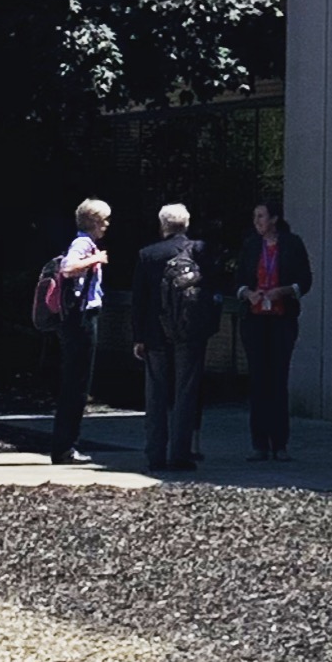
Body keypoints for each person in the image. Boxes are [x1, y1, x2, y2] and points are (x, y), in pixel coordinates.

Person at [131, 201, 212, 472]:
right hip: (189, 333)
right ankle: (180, 454)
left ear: (162, 225)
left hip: (155, 335)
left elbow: (139, 300)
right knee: (185, 393)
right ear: (186, 224)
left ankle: (155, 454)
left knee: (156, 394)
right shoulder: (199, 251)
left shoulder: (147, 255)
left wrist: (138, 336)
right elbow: (209, 292)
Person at [235, 196, 313, 461]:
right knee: (258, 380)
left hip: (281, 319)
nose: (257, 222)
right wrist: (248, 293)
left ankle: (280, 443)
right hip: (255, 319)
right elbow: (238, 280)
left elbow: (305, 279)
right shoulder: (250, 245)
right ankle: (259, 443)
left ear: (274, 219)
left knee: (278, 380)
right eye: (255, 217)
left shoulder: (292, 244)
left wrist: (287, 291)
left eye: (261, 216)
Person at [49, 198, 111, 465]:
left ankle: (66, 444)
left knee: (76, 382)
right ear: (94, 222)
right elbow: (68, 268)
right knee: (77, 383)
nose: (107, 225)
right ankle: (65, 447)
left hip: (81, 318)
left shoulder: (85, 243)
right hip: (81, 320)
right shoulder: (83, 244)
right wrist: (96, 259)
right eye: (104, 220)